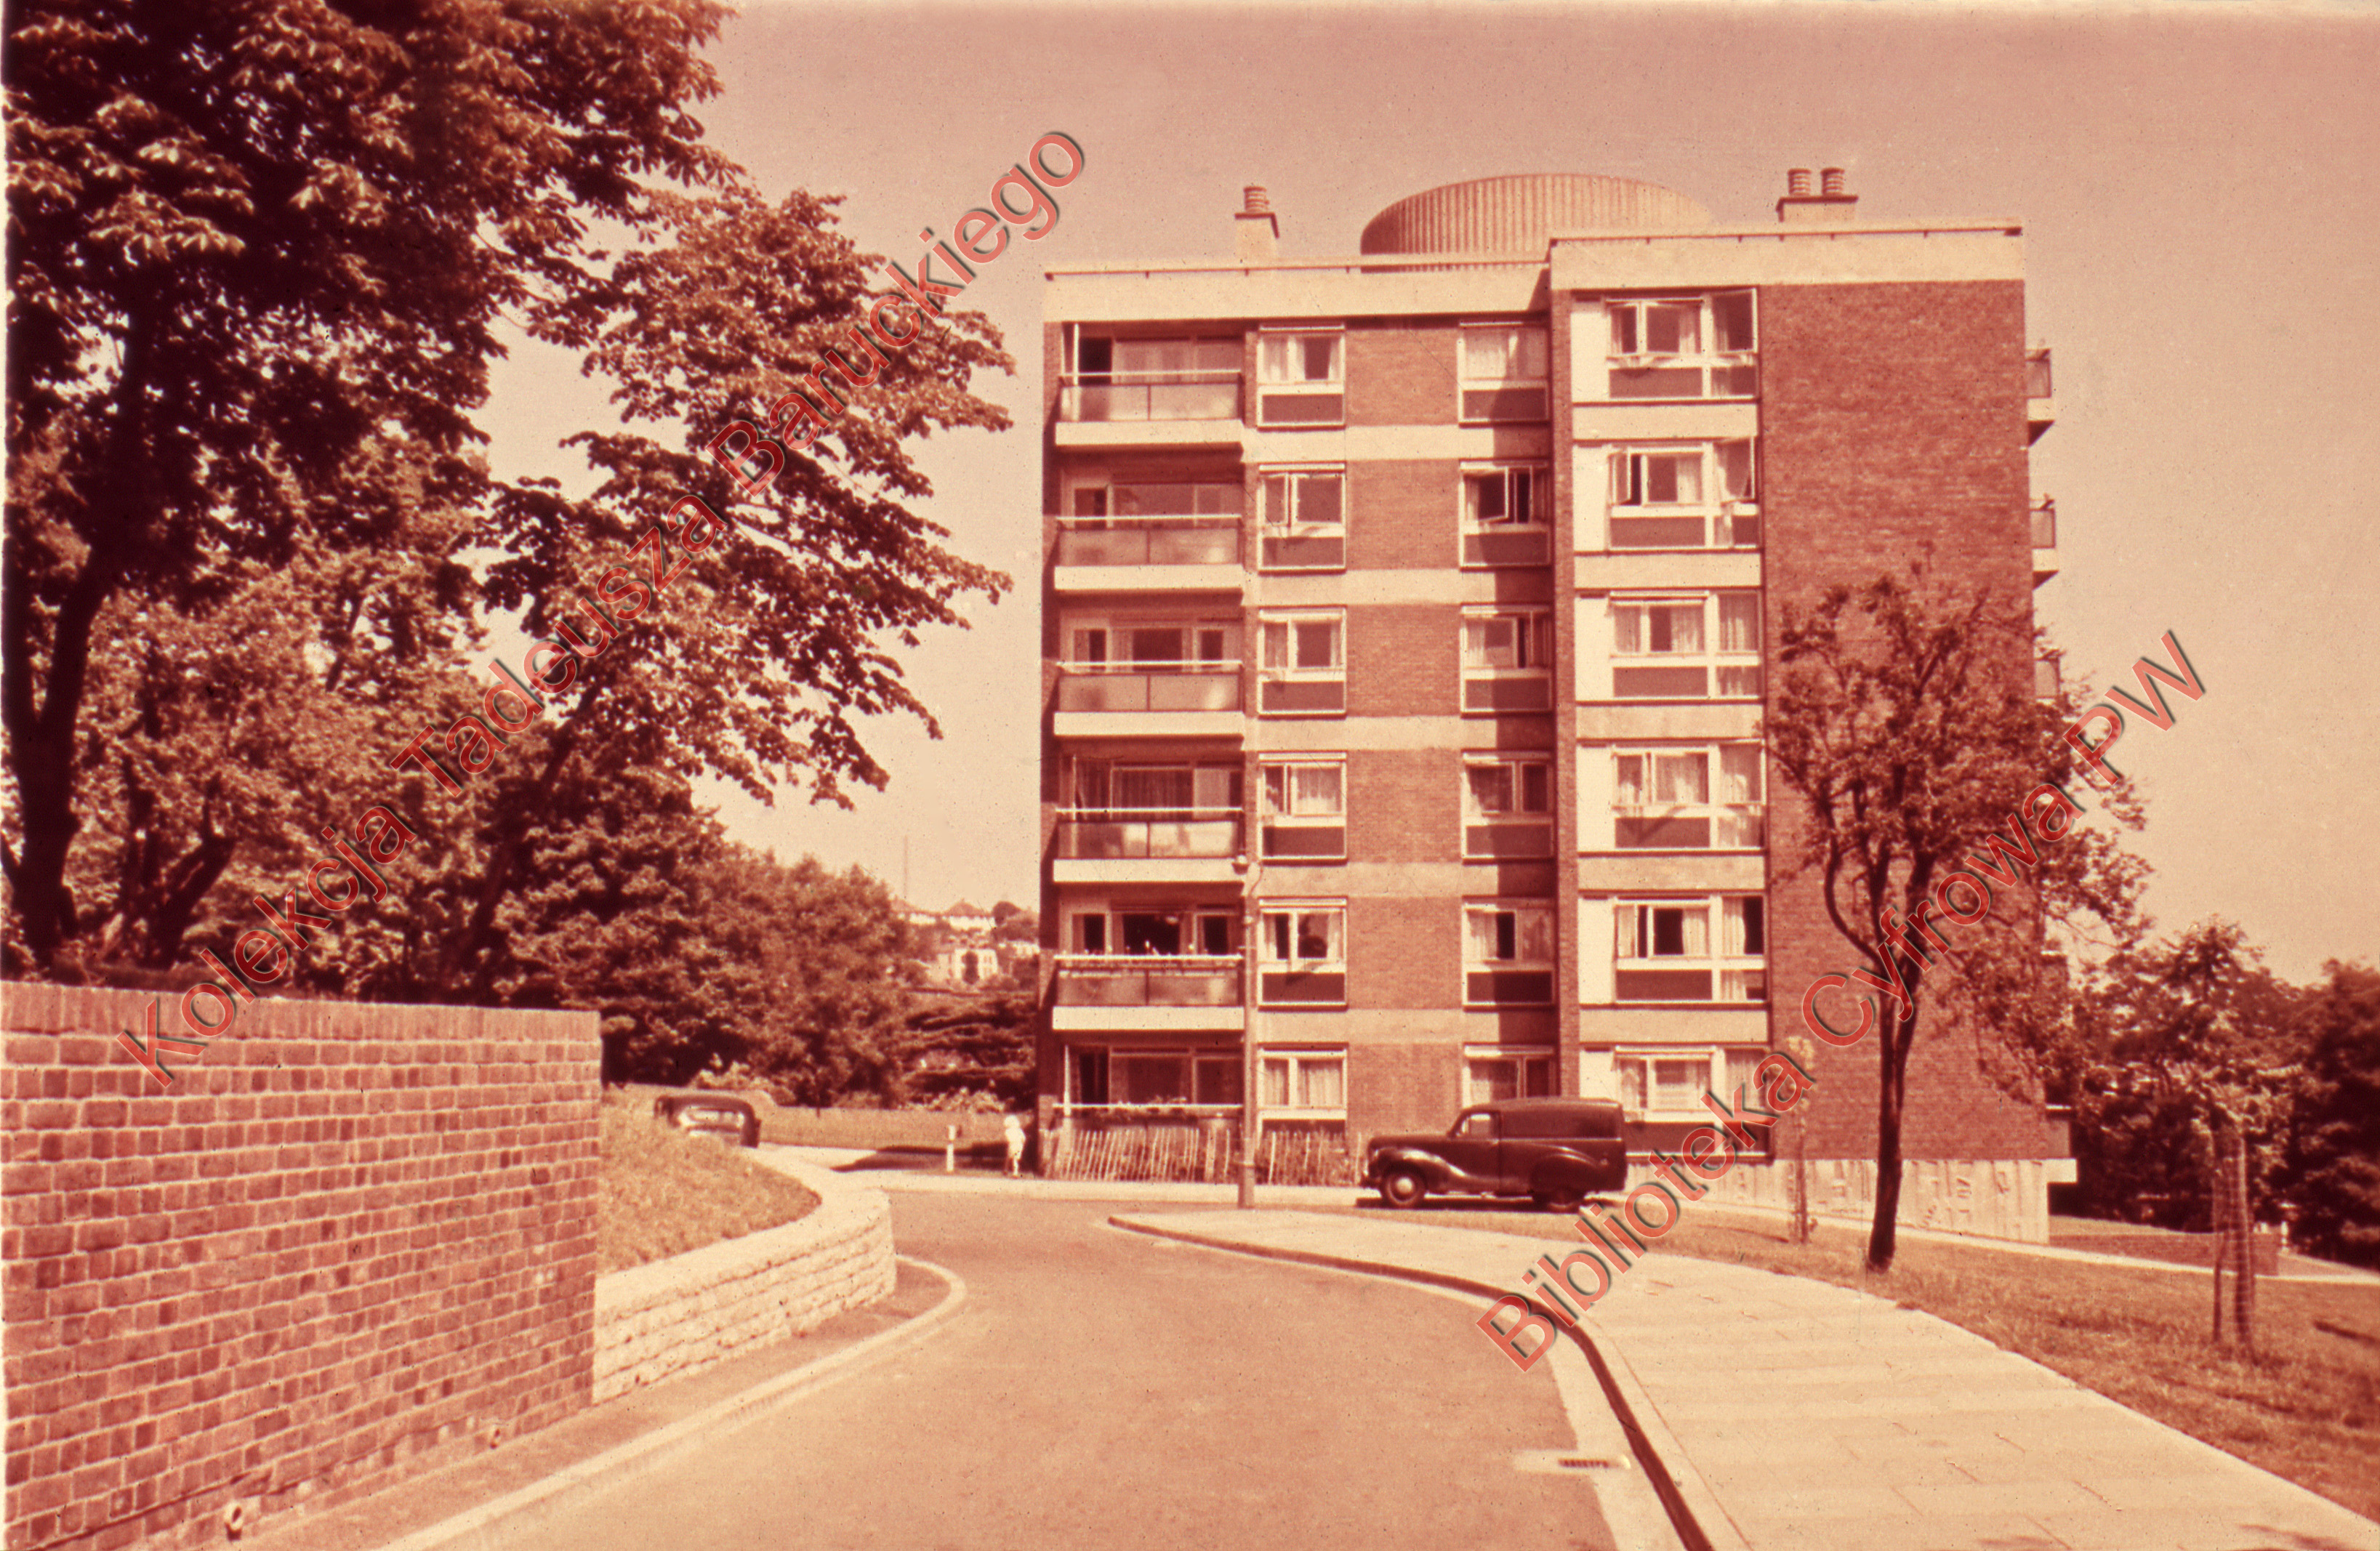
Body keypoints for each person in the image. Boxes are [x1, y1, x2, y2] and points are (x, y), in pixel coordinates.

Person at [1002, 1112, 1027, 1177]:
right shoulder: (1019, 1131)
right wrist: (1022, 1144)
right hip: (1019, 1145)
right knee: (1015, 1159)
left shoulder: (1008, 1131)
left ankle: (1007, 1170)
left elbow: (1008, 1139)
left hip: (1012, 1145)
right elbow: (1023, 1138)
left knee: (1009, 1158)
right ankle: (1014, 1172)